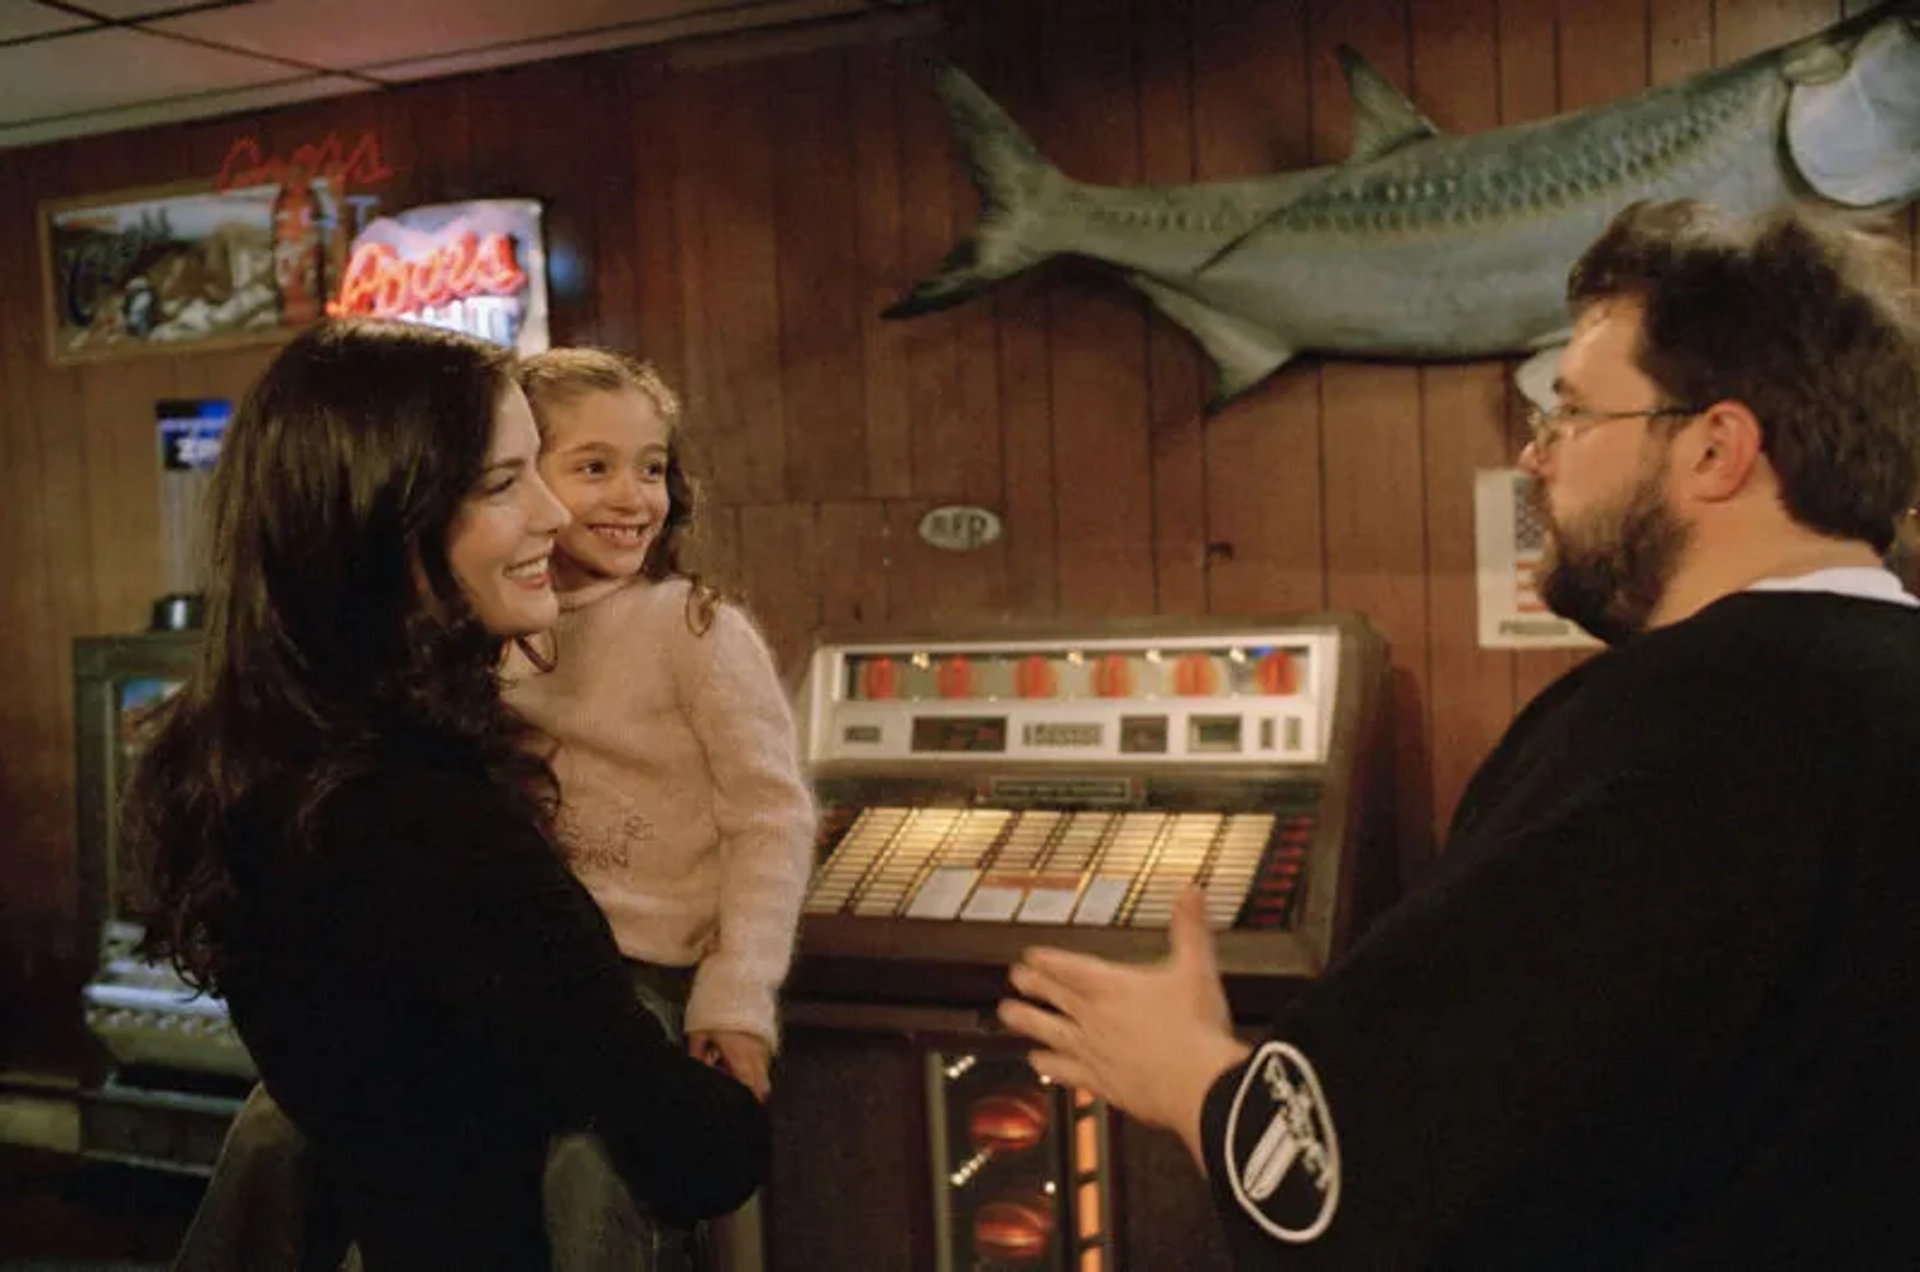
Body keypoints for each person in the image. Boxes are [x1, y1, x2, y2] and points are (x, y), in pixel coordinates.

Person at [998, 197, 1920, 1268]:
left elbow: (1377, 1171)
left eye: (1572, 416)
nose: (1538, 460)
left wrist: (1187, 1070)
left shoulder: (1667, 721)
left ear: (1716, 448)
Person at [131, 318, 769, 1272]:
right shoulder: (438, 834)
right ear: (390, 518)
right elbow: (698, 1154)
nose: (554, 516)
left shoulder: (250, 771)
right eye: (505, 483)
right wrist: (736, 1084)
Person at [507, 348, 815, 1103]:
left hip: (655, 982)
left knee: (594, 1167)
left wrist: (737, 993)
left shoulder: (693, 627)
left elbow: (770, 817)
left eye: (649, 469)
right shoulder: (498, 628)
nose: (633, 497)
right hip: (536, 969)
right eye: (593, 468)